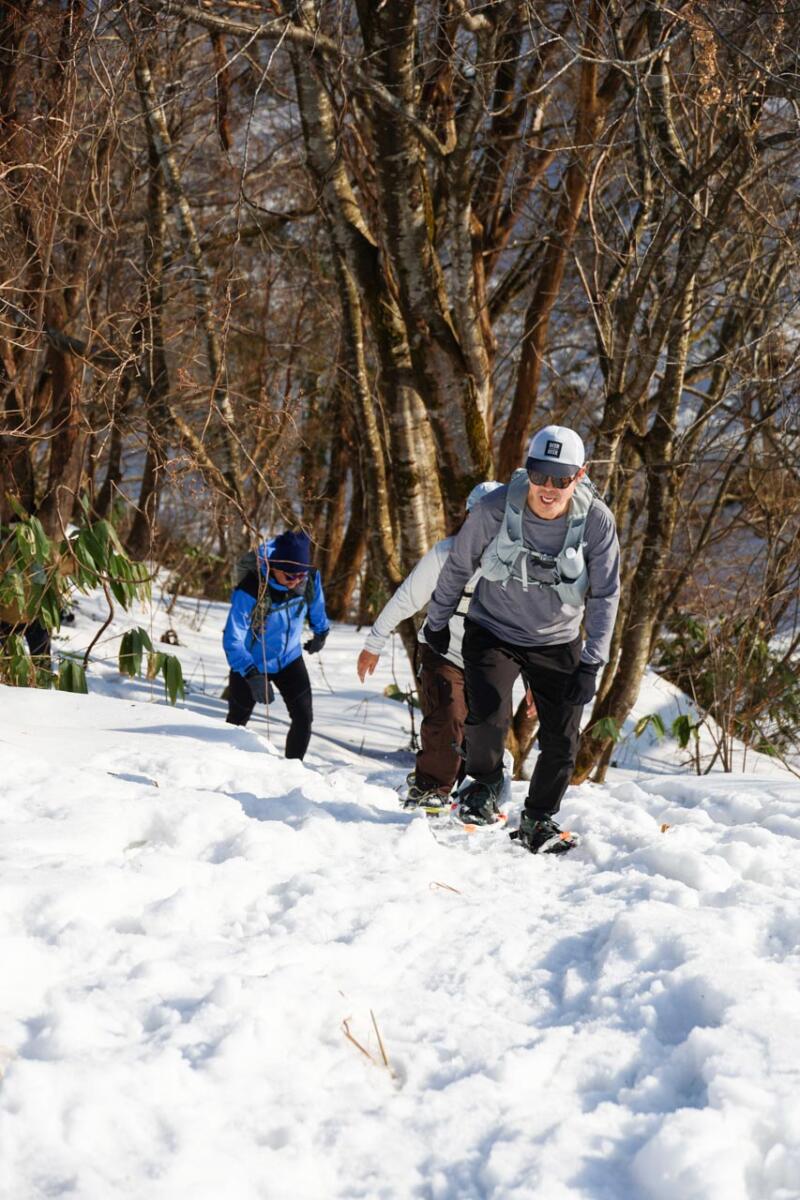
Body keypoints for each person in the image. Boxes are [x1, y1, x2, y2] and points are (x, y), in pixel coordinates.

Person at [422, 425, 620, 853]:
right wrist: (437, 621)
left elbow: (606, 593)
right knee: (488, 714)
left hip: (557, 639)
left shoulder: (596, 521)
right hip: (494, 627)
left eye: (560, 479)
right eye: (539, 474)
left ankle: (537, 819)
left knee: (563, 737)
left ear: (580, 475)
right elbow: (459, 565)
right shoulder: (494, 508)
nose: (548, 488)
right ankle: (486, 782)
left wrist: (592, 661)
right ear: (527, 469)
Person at [357, 481, 503, 812]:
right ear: (468, 517)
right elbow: (406, 599)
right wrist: (374, 642)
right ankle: (429, 788)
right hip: (442, 652)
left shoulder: (511, 564)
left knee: (486, 725)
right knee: (449, 716)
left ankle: (476, 793)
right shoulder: (445, 555)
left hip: (487, 660)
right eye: (481, 518)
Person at [222, 530, 330, 760]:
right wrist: (251, 673)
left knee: (304, 717)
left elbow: (317, 604)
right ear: (274, 568)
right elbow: (233, 638)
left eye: (301, 575)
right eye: (290, 576)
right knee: (237, 722)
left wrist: (321, 632)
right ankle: (225, 766)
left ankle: (293, 769)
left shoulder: (308, 579)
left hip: (289, 659)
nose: (296, 581)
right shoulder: (251, 589)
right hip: (251, 663)